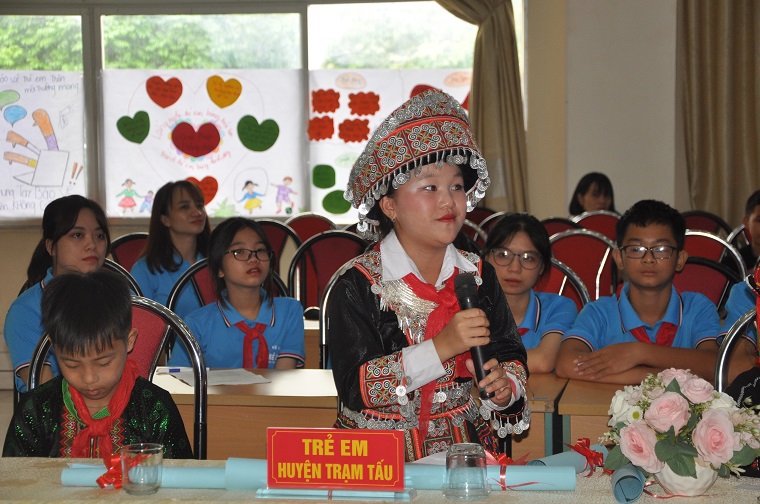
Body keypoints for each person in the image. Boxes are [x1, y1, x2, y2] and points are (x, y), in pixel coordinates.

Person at [328, 90, 529, 461]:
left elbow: (509, 352)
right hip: (377, 458)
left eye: (456, 186)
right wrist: (443, 346)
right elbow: (357, 388)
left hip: (463, 450)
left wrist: (507, 386)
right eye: (429, 187)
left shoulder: (478, 273)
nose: (448, 201)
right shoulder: (357, 283)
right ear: (389, 206)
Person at [3, 270, 193, 458]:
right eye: (72, 365)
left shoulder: (154, 407)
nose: (89, 378)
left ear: (129, 341)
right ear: (54, 347)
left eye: (103, 363)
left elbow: (179, 481)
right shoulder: (37, 409)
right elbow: (17, 481)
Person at [555, 199, 722, 384]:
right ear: (619, 258)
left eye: (661, 249)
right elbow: (566, 364)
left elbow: (714, 365)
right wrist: (648, 376)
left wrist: (638, 353)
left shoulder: (698, 308)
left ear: (680, 259)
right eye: (636, 249)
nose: (648, 259)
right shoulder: (599, 312)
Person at [4, 195, 110, 393]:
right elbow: (44, 395)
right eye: (78, 235)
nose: (92, 245)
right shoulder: (25, 311)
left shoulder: (121, 298)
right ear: (51, 247)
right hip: (58, 418)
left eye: (99, 236)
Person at [169, 217, 305, 369]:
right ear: (219, 268)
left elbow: (284, 381)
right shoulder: (196, 324)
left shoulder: (289, 311)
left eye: (260, 250)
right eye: (239, 252)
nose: (253, 258)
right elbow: (177, 379)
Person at [481, 213, 578, 373]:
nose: (514, 268)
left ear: (542, 267)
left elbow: (543, 361)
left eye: (528, 258)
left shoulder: (559, 307)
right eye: (503, 255)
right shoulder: (468, 306)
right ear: (486, 258)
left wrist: (479, 362)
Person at [130, 180, 211, 318]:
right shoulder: (145, 270)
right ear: (165, 219)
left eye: (199, 205)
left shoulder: (218, 262)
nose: (197, 212)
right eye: (185, 207)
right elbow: (139, 325)